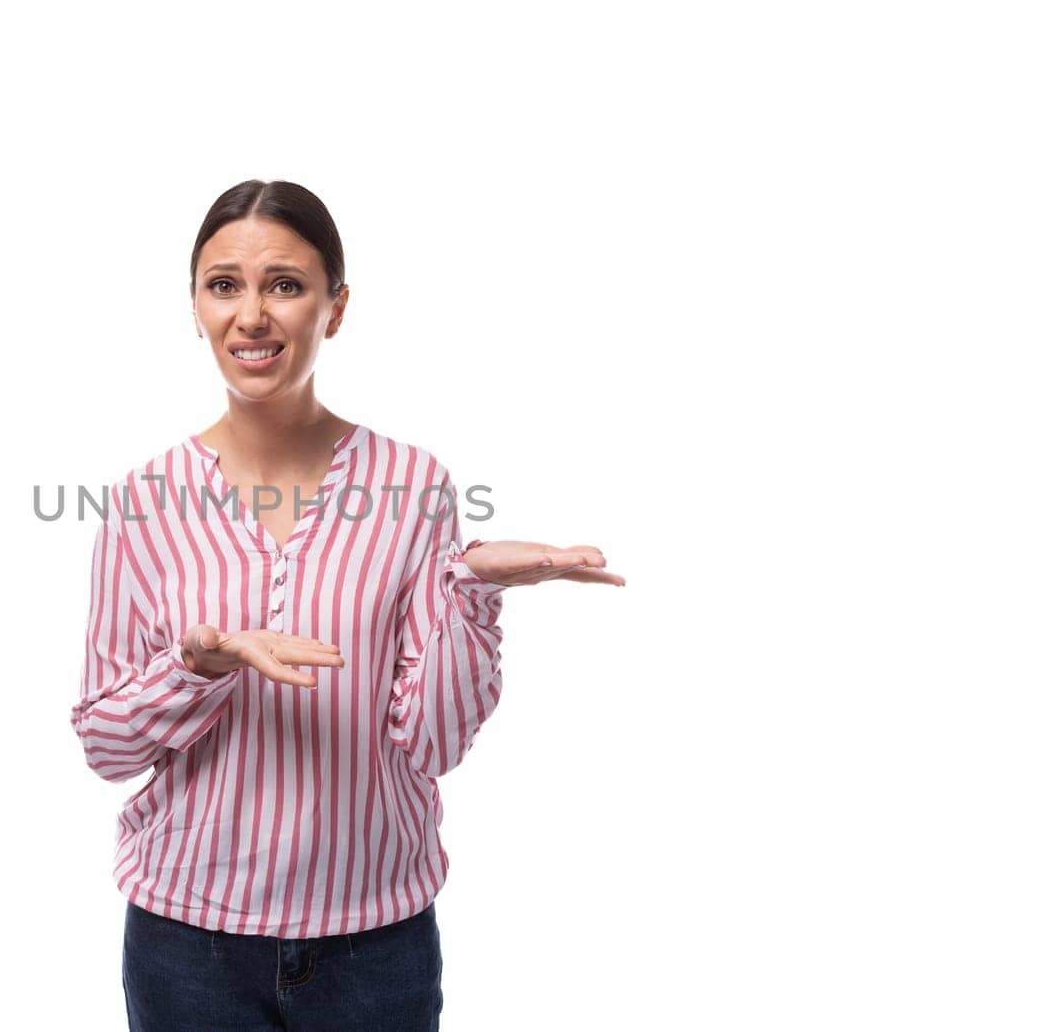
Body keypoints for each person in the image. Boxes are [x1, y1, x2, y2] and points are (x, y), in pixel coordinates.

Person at [69, 179, 625, 1030]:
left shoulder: (414, 486)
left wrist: (472, 592)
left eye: (285, 284)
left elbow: (433, 742)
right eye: (225, 285)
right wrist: (198, 666)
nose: (252, 314)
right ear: (194, 307)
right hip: (188, 946)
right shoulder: (143, 502)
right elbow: (106, 746)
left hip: (377, 945)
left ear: (335, 306)